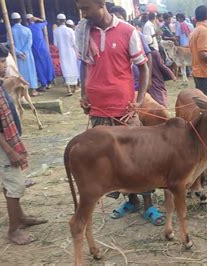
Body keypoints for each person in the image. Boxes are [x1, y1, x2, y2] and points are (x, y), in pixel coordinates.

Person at [75, 0, 165, 226]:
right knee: (112, 163)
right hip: (98, 111)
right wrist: (85, 94)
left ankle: (148, 205)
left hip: (124, 111)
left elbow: (143, 67)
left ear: (100, 4)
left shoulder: (128, 31)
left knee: (138, 159)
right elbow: (85, 65)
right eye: (80, 8)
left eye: (86, 8)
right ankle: (131, 201)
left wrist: (140, 99)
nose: (82, 13)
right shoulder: (85, 33)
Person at [0, 40, 47, 244]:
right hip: (2, 143)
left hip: (6, 140)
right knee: (15, 185)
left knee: (12, 182)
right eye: (1, 61)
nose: (5, 65)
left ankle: (21, 217)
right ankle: (14, 229)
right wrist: (9, 151)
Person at [11, 13, 38, 96]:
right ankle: (33, 90)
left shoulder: (11, 30)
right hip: (27, 54)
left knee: (20, 72)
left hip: (18, 56)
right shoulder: (27, 30)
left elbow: (10, 44)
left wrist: (19, 53)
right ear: (20, 20)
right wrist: (24, 52)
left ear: (12, 21)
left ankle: (23, 91)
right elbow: (29, 42)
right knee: (31, 71)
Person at [26, 14, 55, 92]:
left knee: (39, 67)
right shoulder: (38, 26)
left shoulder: (27, 29)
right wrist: (37, 18)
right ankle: (49, 82)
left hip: (35, 50)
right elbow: (45, 22)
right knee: (47, 64)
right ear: (33, 19)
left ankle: (43, 84)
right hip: (43, 49)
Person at [53, 14, 79, 96]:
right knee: (73, 68)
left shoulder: (55, 31)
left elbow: (55, 44)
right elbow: (74, 43)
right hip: (71, 52)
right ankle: (75, 87)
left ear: (58, 21)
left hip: (62, 53)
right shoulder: (70, 30)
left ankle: (68, 89)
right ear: (65, 20)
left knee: (65, 69)